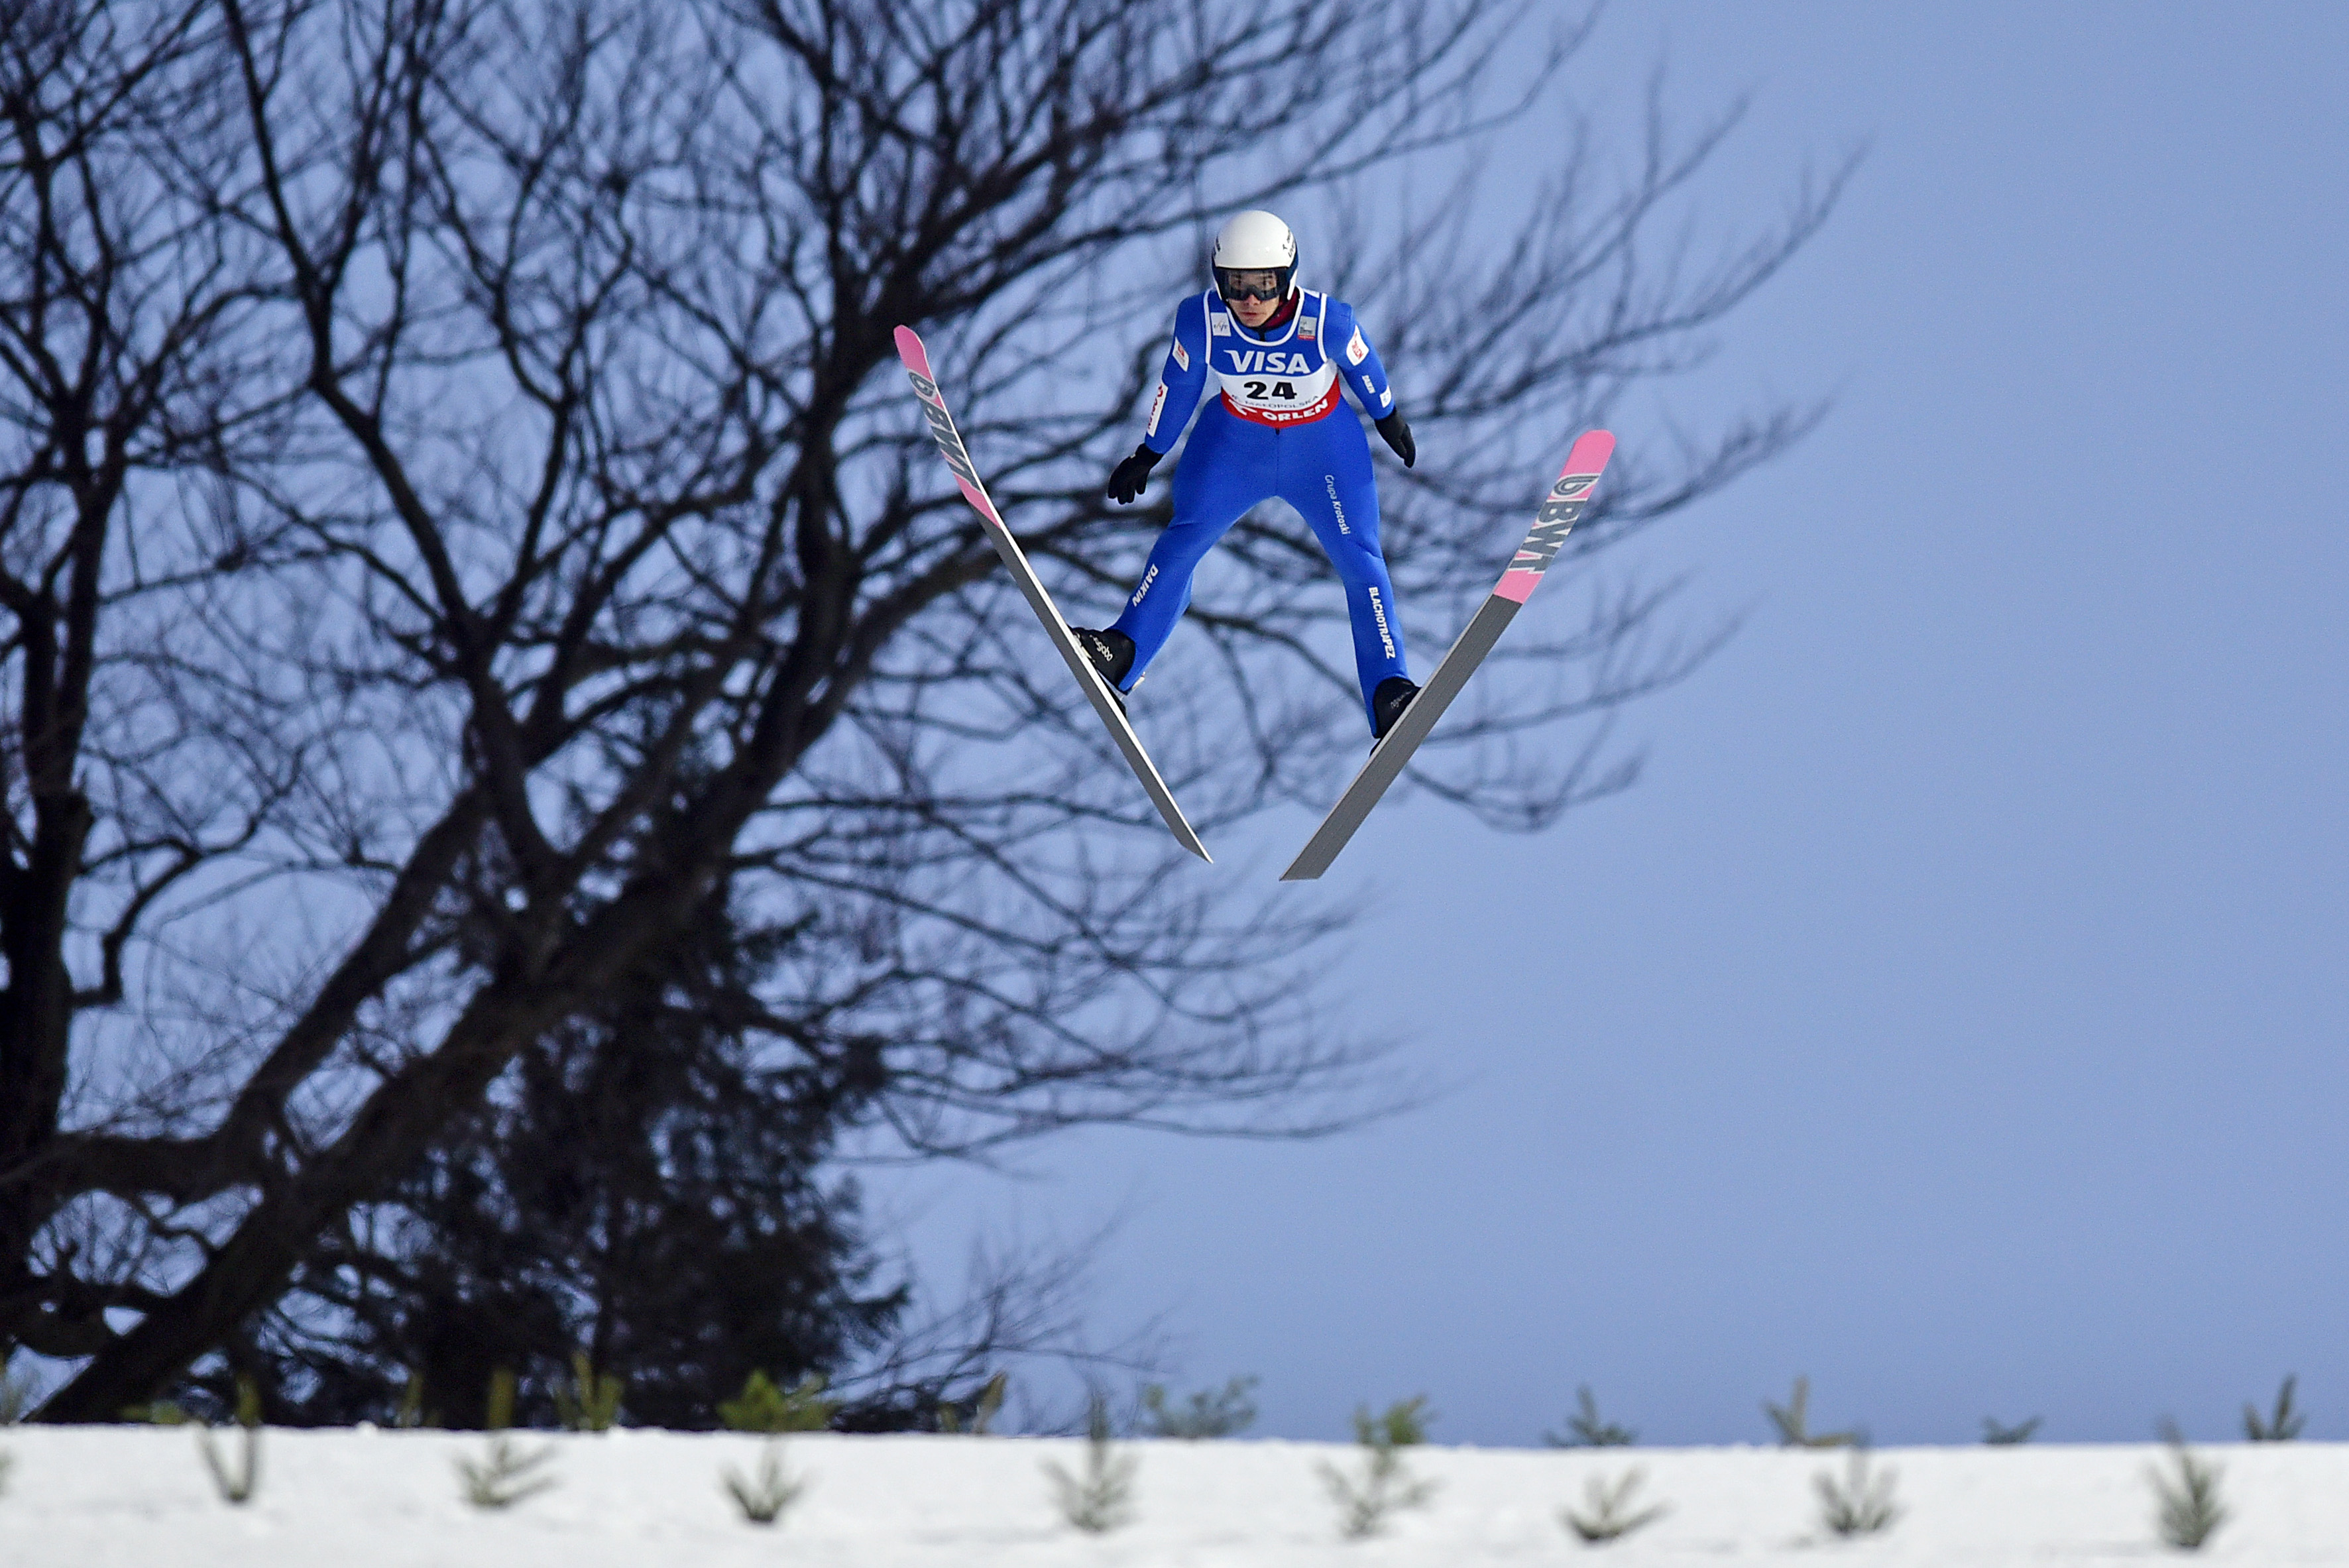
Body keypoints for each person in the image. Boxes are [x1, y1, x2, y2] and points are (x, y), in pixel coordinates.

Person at [1073, 210, 1421, 740]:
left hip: (1321, 447)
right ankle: (1124, 651)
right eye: (1237, 286)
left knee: (1361, 559)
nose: (1251, 301)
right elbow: (1180, 385)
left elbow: (1364, 365)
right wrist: (1149, 452)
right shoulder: (1201, 320)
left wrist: (1388, 416)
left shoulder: (1327, 321)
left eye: (1264, 286)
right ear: (1219, 280)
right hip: (1237, 442)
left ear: (1288, 277)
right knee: (1184, 538)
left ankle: (1389, 689)